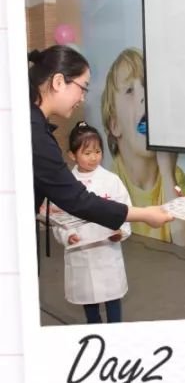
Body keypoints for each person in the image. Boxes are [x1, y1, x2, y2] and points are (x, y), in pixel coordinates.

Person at [30, 46, 174, 236]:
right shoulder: (34, 132)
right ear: (58, 82)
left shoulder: (32, 124)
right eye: (83, 88)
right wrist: (145, 214)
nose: (82, 98)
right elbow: (77, 200)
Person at [100, 47, 185, 248]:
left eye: (147, 86)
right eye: (130, 90)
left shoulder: (175, 176)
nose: (144, 95)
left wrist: (168, 174)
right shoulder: (109, 183)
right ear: (115, 125)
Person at [48, 123, 130, 325]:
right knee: (88, 297)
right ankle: (93, 328)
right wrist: (68, 235)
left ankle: (116, 331)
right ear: (72, 155)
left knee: (112, 296)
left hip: (107, 250)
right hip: (81, 251)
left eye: (98, 151)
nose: (94, 157)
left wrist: (121, 231)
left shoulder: (111, 180)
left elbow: (126, 210)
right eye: (87, 153)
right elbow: (58, 218)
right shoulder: (66, 183)